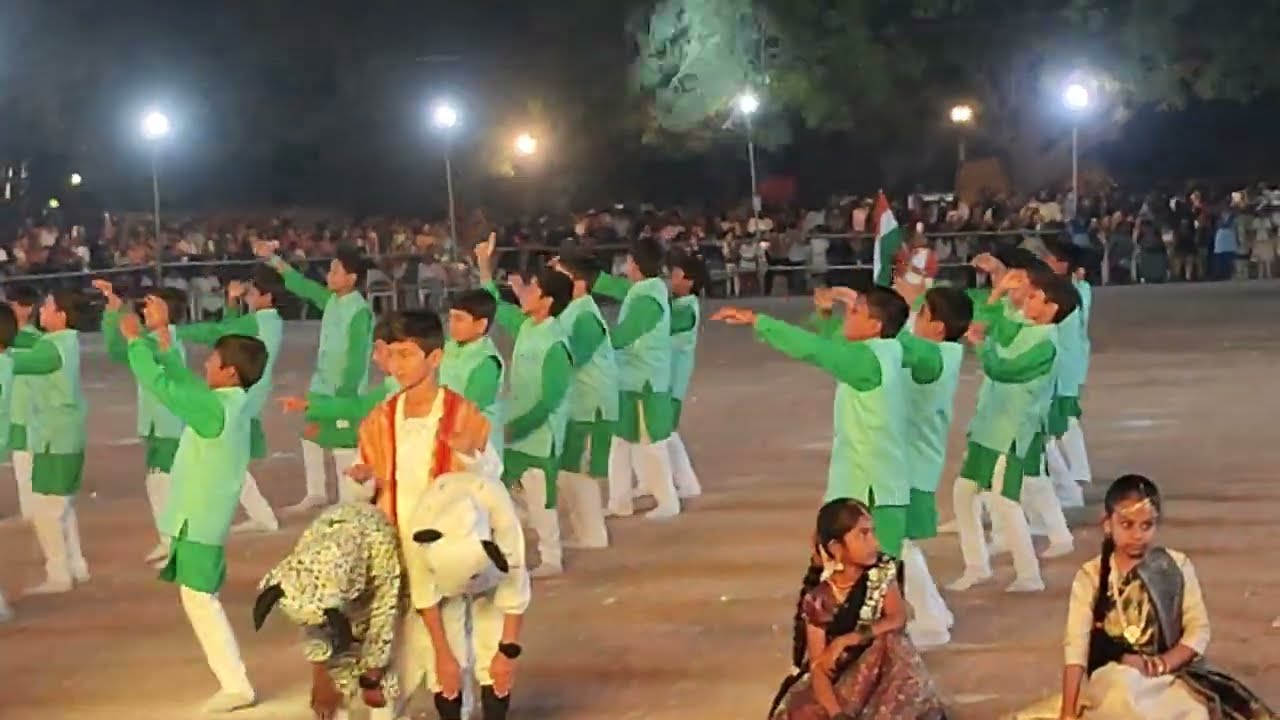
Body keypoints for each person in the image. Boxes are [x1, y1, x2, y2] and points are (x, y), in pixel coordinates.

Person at [344, 311, 509, 720]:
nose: (396, 366)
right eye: (391, 356)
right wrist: (362, 481)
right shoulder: (380, 419)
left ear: (434, 359)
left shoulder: (462, 414)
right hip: (394, 548)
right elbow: (364, 484)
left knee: (451, 647)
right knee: (392, 650)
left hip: (445, 552)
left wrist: (472, 454)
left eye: (406, 355)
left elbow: (491, 477)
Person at [119, 312, 266, 713]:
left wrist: (136, 341)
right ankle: (233, 682)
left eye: (213, 360)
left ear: (230, 372)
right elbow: (183, 385)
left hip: (201, 519)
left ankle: (236, 684)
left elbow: (165, 388)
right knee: (200, 598)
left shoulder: (217, 407)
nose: (206, 364)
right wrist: (164, 348)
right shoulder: (227, 401)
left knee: (201, 600)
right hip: (203, 517)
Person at [1053, 475, 1275, 719]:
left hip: (1171, 676)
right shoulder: (1091, 576)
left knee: (1195, 712)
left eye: (1146, 525)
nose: (1138, 535)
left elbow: (1198, 631)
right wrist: (1067, 712)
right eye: (1127, 525)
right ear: (1107, 524)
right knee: (1122, 699)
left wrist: (1160, 665)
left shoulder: (1175, 566)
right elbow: (1076, 648)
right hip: (1115, 678)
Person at [712, 286, 912, 559]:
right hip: (866, 478)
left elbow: (816, 350)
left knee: (877, 571)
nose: (848, 316)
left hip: (871, 485)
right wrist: (827, 318)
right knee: (868, 566)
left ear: (875, 325)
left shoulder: (866, 359)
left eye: (855, 311)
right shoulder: (882, 351)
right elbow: (835, 350)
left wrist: (758, 320)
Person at [947, 264, 1080, 594]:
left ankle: (1029, 574)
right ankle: (977, 566)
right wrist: (998, 293)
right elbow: (998, 325)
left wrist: (980, 344)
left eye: (1034, 296)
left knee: (1005, 501)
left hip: (1014, 432)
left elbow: (1003, 369)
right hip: (989, 425)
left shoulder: (1046, 344)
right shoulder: (1024, 325)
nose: (1027, 299)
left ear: (1051, 308)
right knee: (964, 493)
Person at [768, 498, 946, 720]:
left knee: (892, 641)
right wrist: (837, 715)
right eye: (863, 534)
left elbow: (897, 618)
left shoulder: (881, 573)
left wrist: (847, 639)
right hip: (840, 685)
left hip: (878, 677)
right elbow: (819, 669)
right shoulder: (819, 599)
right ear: (836, 547)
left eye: (873, 532)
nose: (875, 543)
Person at [476, 235, 574, 576]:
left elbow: (549, 400)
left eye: (531, 289)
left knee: (540, 499)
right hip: (517, 431)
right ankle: (519, 546)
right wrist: (484, 267)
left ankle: (551, 557)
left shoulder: (557, 341)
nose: (523, 294)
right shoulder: (527, 326)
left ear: (547, 301)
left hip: (540, 436)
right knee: (510, 491)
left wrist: (514, 427)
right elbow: (492, 307)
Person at [253, 503, 402, 720]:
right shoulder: (299, 569)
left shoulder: (380, 549)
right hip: (336, 586)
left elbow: (384, 611)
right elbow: (313, 626)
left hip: (373, 568)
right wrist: (322, 676)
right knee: (336, 674)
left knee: (381, 684)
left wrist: (373, 674)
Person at [257, 243, 373, 512]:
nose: (329, 276)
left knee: (342, 445)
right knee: (311, 435)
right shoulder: (332, 300)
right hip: (322, 384)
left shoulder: (359, 311)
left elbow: (357, 358)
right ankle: (316, 493)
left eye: (335, 271)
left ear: (351, 278)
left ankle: (349, 501)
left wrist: (346, 394)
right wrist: (274, 259)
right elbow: (302, 286)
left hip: (344, 390)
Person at [893, 280, 972, 649]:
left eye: (922, 315)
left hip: (911, 464)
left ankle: (931, 620)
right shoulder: (944, 350)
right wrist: (909, 307)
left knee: (894, 543)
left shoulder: (932, 356)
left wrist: (886, 311)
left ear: (937, 327)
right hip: (915, 461)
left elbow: (896, 340)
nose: (915, 320)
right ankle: (936, 613)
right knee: (897, 542)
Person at [178, 267, 286, 534]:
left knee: (226, 458)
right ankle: (261, 514)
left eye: (252, 292)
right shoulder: (270, 320)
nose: (247, 296)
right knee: (230, 458)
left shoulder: (256, 322)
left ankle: (261, 516)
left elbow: (221, 333)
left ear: (267, 296)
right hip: (252, 393)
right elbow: (231, 335)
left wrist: (174, 332)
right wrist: (231, 303)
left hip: (242, 393)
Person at [97, 280, 197, 563]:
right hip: (157, 425)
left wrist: (118, 315)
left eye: (152, 305)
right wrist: (114, 313)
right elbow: (122, 351)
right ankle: (168, 541)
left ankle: (178, 546)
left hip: (168, 427)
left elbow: (123, 351)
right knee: (157, 485)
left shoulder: (164, 340)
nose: (145, 310)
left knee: (166, 486)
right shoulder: (155, 339)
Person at [590, 236, 681, 519]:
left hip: (646, 382)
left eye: (628, 260)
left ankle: (668, 500)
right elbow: (612, 286)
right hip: (629, 379)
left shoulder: (649, 297)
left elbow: (625, 334)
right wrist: (578, 272)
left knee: (651, 444)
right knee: (621, 442)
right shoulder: (642, 289)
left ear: (636, 264)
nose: (625, 265)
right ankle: (619, 501)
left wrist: (593, 347)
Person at [11, 291, 90, 595]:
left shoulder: (55, 347)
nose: (42, 311)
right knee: (60, 506)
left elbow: (23, 360)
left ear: (62, 316)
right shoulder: (61, 342)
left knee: (48, 510)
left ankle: (59, 574)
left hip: (56, 437)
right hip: (62, 436)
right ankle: (74, 566)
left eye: (48, 307)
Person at [548, 251, 617, 550]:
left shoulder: (585, 315)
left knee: (577, 470)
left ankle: (592, 534)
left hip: (590, 404)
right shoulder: (571, 311)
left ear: (578, 283)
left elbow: (570, 359)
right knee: (570, 469)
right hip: (580, 403)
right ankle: (586, 532)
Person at [439, 288, 506, 472]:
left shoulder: (486, 362)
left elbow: (468, 409)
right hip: (447, 437)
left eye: (459, 319)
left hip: (475, 451)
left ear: (481, 325)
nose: (452, 324)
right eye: (451, 318)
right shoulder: (450, 347)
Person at [665, 250, 706, 499]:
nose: (672, 279)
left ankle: (688, 484)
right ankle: (674, 481)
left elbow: (661, 323)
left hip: (673, 381)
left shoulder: (686, 309)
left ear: (690, 281)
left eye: (677, 276)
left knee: (667, 432)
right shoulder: (678, 304)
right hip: (665, 378)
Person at [6, 285, 42, 522]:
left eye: (12, 304)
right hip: (16, 413)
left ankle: (35, 518)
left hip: (28, 415)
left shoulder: (32, 340)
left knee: (27, 468)